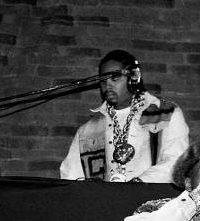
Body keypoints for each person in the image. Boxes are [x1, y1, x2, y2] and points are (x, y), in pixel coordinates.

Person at [60, 50, 189, 182]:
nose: (108, 85)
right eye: (103, 81)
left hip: (152, 199)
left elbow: (177, 162)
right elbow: (70, 176)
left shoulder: (165, 113)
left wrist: (137, 184)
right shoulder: (88, 130)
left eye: (114, 78)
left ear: (134, 77)